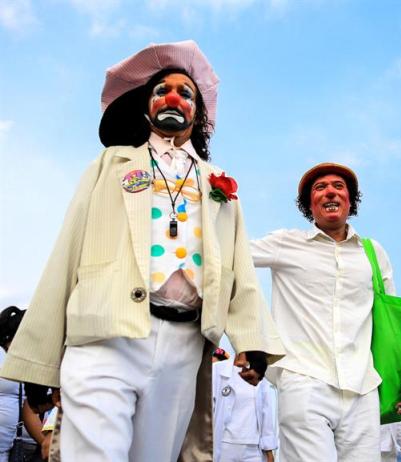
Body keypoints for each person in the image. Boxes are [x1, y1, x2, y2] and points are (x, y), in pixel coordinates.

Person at [0, 40, 284, 462]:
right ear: (146, 106)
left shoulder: (219, 183)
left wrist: (252, 341)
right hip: (104, 334)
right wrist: (40, 363)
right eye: (161, 89)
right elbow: (65, 255)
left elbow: (238, 267)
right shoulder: (111, 164)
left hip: (184, 347)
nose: (173, 97)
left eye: (185, 92)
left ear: (197, 112)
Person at [251, 162, 401, 461]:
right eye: (320, 188)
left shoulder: (373, 252)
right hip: (303, 379)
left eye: (338, 186)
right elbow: (231, 256)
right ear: (309, 205)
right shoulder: (284, 243)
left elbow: (392, 319)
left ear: (350, 200)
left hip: (363, 388)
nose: (330, 191)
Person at [211, 353, 277, 462]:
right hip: (224, 446)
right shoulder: (218, 370)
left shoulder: (260, 374)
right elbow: (207, 410)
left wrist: (269, 451)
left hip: (253, 449)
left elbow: (266, 414)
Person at [0, 307, 44, 462]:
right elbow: (30, 408)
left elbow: (29, 407)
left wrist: (46, 443)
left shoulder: (31, 362)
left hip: (10, 449)